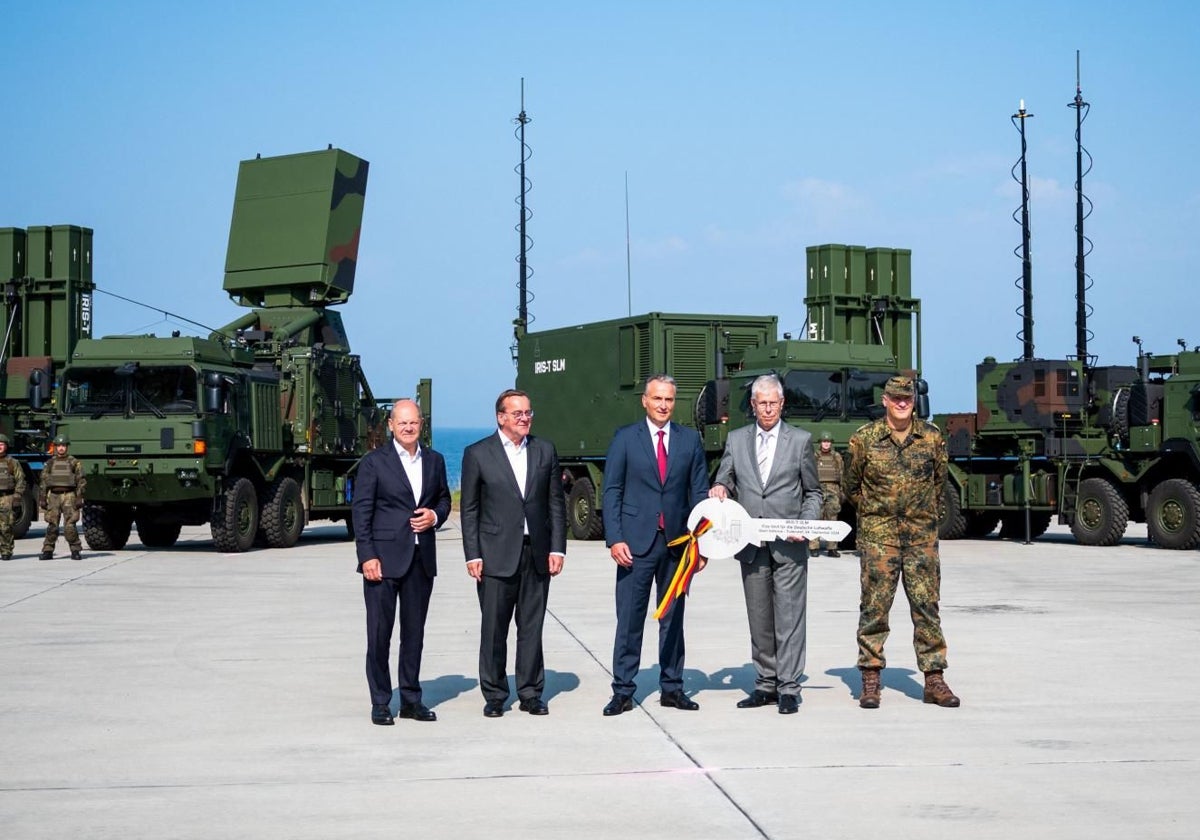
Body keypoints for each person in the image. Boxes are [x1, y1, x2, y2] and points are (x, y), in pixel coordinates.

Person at [845, 375, 960, 709]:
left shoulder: (931, 438)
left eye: (906, 399)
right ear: (884, 400)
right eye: (895, 398)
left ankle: (934, 679)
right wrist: (874, 515)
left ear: (913, 401)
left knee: (927, 608)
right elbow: (852, 486)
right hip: (879, 538)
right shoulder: (864, 439)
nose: (901, 403)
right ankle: (870, 678)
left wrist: (921, 514)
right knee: (874, 608)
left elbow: (939, 483)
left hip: (920, 537)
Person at [709, 374, 822, 715]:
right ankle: (765, 683)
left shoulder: (801, 441)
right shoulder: (737, 439)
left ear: (782, 404)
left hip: (789, 544)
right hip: (750, 543)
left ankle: (788, 687)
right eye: (762, 403)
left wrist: (805, 523)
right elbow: (725, 476)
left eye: (774, 403)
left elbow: (814, 492)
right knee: (759, 617)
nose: (768, 408)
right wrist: (720, 488)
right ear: (754, 406)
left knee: (788, 617)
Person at [601, 374, 709, 716]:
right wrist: (614, 538)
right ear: (644, 401)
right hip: (635, 544)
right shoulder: (625, 439)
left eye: (669, 400)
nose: (663, 405)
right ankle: (623, 690)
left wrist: (701, 545)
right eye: (657, 398)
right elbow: (612, 491)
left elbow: (699, 495)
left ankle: (672, 687)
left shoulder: (689, 440)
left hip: (677, 545)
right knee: (630, 619)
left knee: (673, 619)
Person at [460, 390, 566, 718]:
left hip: (536, 552)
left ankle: (531, 692)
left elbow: (555, 504)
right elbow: (469, 509)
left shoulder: (544, 450)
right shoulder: (478, 453)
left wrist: (557, 547)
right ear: (500, 417)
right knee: (494, 628)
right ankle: (494, 694)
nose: (524, 418)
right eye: (517, 413)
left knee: (531, 626)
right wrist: (472, 554)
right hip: (494, 554)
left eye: (528, 413)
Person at [353, 400, 452, 726]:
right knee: (379, 636)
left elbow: (444, 498)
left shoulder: (434, 461)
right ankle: (381, 702)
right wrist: (367, 555)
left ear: (421, 425)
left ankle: (411, 699)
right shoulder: (374, 463)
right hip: (382, 561)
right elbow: (362, 512)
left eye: (414, 423)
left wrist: (434, 516)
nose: (409, 428)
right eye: (402, 423)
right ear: (391, 426)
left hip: (420, 559)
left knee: (414, 635)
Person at [39, 434, 85, 561]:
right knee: (52, 525)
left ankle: (75, 550)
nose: (61, 448)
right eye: (58, 446)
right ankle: (48, 550)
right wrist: (42, 497)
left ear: (67, 447)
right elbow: (43, 481)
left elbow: (81, 480)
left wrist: (79, 496)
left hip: (69, 495)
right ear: (55, 447)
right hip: (53, 496)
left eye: (63, 446)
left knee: (70, 525)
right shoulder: (50, 463)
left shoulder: (74, 462)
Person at [810, 431, 845, 557]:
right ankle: (813, 547)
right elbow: (809, 473)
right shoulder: (814, 456)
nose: (826, 444)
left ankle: (832, 548)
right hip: (817, 488)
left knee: (833, 518)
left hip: (833, 488)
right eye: (824, 441)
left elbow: (841, 474)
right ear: (820, 443)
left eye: (828, 441)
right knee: (815, 518)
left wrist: (842, 491)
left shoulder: (837, 457)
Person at [0, 434, 27, 562]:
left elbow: (21, 480)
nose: (0, 446)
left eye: (2, 444)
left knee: (6, 527)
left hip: (7, 497)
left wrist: (17, 497)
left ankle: (6, 550)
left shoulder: (12, 463)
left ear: (6, 446)